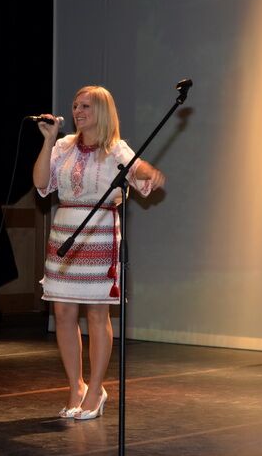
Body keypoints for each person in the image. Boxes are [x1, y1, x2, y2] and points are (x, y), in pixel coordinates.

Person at [32, 85, 165, 420]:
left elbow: (138, 170)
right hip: (65, 234)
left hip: (100, 234)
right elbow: (41, 183)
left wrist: (149, 173)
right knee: (63, 312)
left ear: (102, 112)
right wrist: (48, 140)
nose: (77, 112)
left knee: (96, 313)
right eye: (75, 106)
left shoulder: (115, 149)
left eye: (86, 106)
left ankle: (95, 389)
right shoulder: (62, 146)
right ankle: (75, 386)